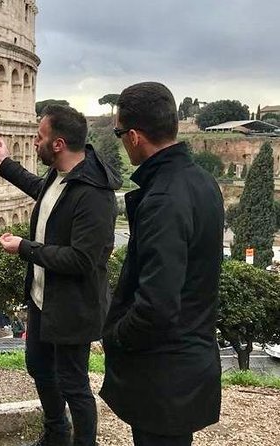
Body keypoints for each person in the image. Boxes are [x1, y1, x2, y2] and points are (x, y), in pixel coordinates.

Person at [100, 82, 224, 446]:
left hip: (164, 369)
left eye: (121, 133)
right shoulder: (202, 181)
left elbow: (157, 305)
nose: (122, 140)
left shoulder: (164, 198)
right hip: (187, 358)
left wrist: (115, 337)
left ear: (135, 136)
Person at [0, 104, 121, 446]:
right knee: (39, 367)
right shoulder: (62, 174)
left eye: (40, 137)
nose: (34, 142)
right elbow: (42, 192)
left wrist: (24, 248)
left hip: (73, 305)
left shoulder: (94, 194)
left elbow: (82, 259)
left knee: (74, 384)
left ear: (59, 144)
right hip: (42, 298)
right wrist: (5, 165)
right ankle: (56, 434)